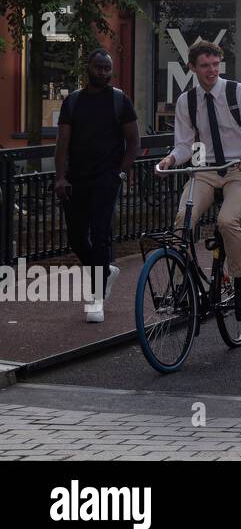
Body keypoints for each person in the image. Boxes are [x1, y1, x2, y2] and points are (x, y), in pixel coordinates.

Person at [157, 40, 241, 322]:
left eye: (216, 64)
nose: (211, 70)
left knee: (227, 221)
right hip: (205, 169)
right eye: (205, 66)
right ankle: (182, 285)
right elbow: (184, 145)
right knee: (183, 217)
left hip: (236, 168)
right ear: (192, 68)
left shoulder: (239, 93)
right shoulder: (188, 101)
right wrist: (170, 159)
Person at [54, 49, 140, 323]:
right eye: (98, 67)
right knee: (76, 237)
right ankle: (104, 271)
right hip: (77, 178)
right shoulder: (74, 102)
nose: (103, 72)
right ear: (88, 68)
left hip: (107, 177)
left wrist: (120, 174)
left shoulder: (120, 101)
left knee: (101, 233)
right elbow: (62, 143)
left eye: (107, 68)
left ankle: (96, 299)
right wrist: (60, 177)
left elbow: (134, 142)